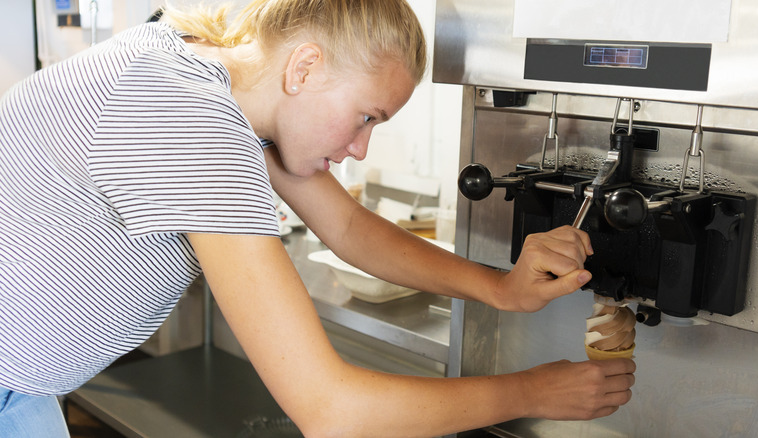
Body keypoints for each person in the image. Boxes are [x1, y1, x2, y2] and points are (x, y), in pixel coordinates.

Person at [0, 0, 635, 436]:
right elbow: (329, 410)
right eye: (367, 117)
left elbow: (350, 229)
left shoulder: (200, 71)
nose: (361, 148)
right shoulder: (193, 124)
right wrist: (531, 394)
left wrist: (498, 288)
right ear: (305, 67)